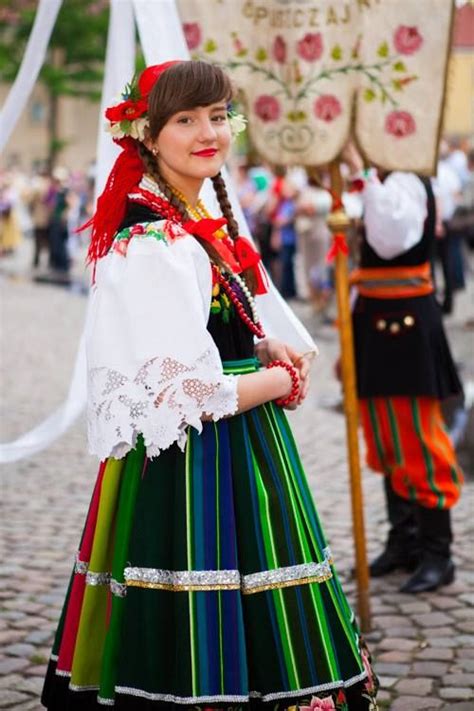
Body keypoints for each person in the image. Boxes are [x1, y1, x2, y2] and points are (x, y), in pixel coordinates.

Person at [41, 61, 377, 710]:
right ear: (148, 134)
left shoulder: (191, 215)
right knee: (202, 591)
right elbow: (183, 392)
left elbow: (200, 330)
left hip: (238, 441)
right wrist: (276, 378)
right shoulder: (152, 237)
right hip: (193, 459)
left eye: (219, 116)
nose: (208, 133)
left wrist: (259, 344)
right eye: (186, 119)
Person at [344, 142, 464, 595]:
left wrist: (364, 175)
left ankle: (438, 551)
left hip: (405, 327)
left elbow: (391, 238)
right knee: (385, 438)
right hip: (374, 324)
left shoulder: (407, 179)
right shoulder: (387, 179)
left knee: (415, 436)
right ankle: (406, 539)